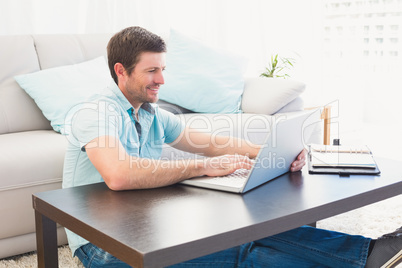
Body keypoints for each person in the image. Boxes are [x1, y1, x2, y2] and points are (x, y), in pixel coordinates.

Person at [63, 26, 402, 268]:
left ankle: (372, 252)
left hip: (142, 230)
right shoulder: (97, 112)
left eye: (163, 69)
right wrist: (202, 166)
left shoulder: (150, 114)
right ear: (120, 71)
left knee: (252, 231)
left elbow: (209, 140)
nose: (162, 80)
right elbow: (119, 175)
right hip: (104, 247)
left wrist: (274, 152)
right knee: (242, 253)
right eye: (152, 70)